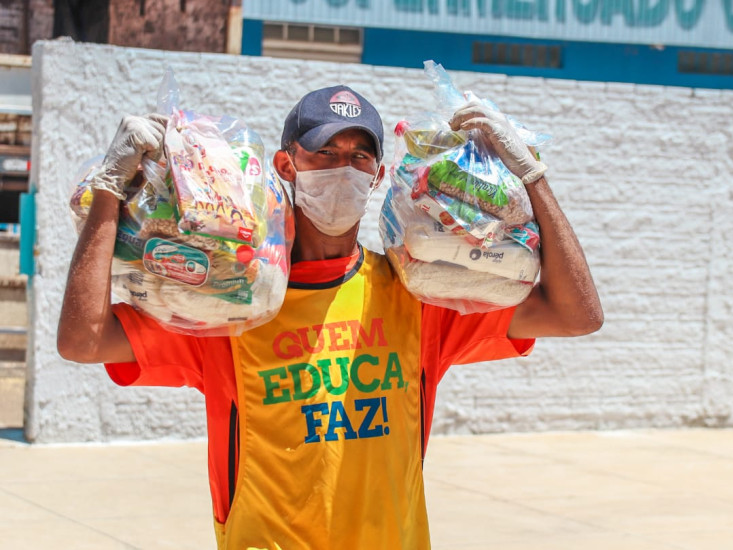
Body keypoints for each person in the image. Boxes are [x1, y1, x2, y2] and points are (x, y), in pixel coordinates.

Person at [57, 85, 603, 549]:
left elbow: (576, 314)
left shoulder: (417, 293)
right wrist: (109, 190)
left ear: (379, 172)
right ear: (285, 164)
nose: (343, 168)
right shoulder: (230, 300)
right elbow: (83, 341)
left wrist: (532, 176)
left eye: (359, 156)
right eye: (323, 153)